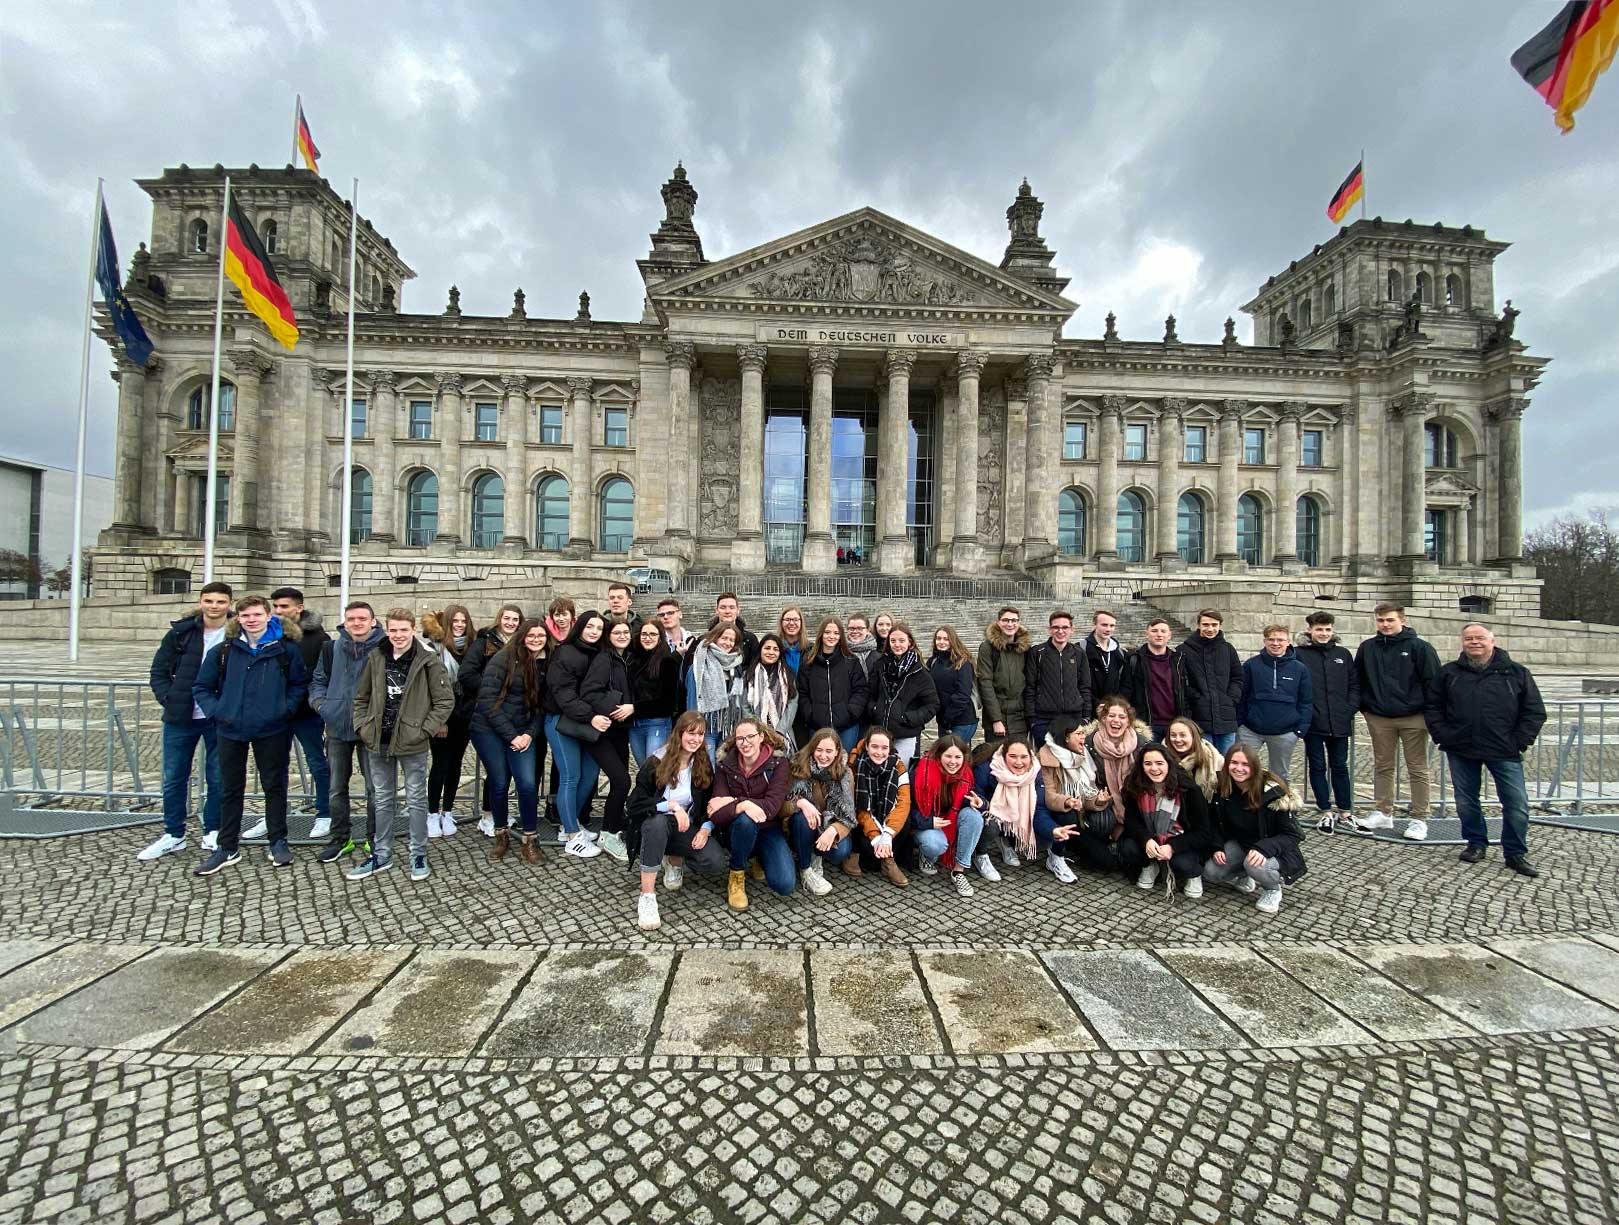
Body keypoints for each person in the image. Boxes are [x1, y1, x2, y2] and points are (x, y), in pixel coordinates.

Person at [191, 595, 307, 875]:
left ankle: (278, 840)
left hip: (272, 727)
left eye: (256, 614)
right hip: (231, 728)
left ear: (268, 616)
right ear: (238, 619)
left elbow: (298, 684)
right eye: (246, 616)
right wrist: (218, 711)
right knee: (230, 788)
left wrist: (284, 709)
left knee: (274, 786)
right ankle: (227, 845)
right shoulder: (223, 651)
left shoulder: (286, 650)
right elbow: (202, 687)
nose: (251, 620)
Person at [1425, 623, 1547, 876]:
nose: (1474, 642)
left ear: (1492, 640)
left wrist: (1518, 741)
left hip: (1504, 749)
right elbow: (1433, 707)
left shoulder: (1516, 672)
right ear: (1462, 642)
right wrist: (1444, 735)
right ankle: (1475, 843)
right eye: (1469, 638)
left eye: (1480, 638)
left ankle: (1515, 852)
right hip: (1461, 747)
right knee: (1466, 800)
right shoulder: (1449, 673)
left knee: (1516, 803)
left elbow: (1534, 711)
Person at [348, 608, 454, 882]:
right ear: (387, 630)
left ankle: (418, 852)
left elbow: (444, 701)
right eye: (393, 630)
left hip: (412, 740)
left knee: (416, 799)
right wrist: (362, 725)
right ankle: (382, 854)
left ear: (413, 630)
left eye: (403, 630)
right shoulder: (376, 657)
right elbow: (361, 697)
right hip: (378, 740)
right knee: (383, 798)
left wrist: (425, 730)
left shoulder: (428, 660)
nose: (397, 635)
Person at [140, 580, 232, 862]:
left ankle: (213, 829)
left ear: (230, 604)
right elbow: (159, 670)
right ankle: (173, 833)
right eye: (209, 601)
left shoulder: (237, 634)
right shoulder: (181, 632)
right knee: (174, 777)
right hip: (181, 715)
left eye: (220, 601)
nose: (214, 606)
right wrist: (169, 698)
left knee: (218, 777)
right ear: (201, 602)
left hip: (218, 716)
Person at [628, 711, 725, 930]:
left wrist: (706, 829)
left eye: (700, 734)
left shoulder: (702, 763)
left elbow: (709, 802)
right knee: (657, 824)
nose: (696, 739)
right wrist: (671, 806)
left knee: (715, 860)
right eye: (691, 733)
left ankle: (673, 858)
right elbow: (634, 805)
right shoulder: (655, 762)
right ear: (679, 733)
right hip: (654, 824)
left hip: (684, 827)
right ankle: (647, 896)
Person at [1355, 603, 1442, 840]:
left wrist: (1429, 713)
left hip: (1414, 716)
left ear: (1402, 620)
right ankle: (1383, 811)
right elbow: (1358, 679)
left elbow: (1433, 683)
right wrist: (1365, 707)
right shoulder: (1368, 648)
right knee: (1383, 766)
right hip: (1379, 716)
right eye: (1381, 620)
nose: (1385, 624)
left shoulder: (1420, 648)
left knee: (1417, 768)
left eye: (1389, 620)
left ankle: (1419, 818)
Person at [309, 600, 385, 863]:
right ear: (345, 621)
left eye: (362, 619)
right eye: (352, 619)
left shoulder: (385, 648)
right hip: (337, 725)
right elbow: (318, 680)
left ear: (373, 621)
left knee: (375, 788)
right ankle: (341, 838)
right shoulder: (331, 648)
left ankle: (374, 838)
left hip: (370, 727)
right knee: (336, 787)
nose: (357, 623)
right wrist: (322, 705)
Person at [469, 618, 549, 864]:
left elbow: (541, 707)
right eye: (531, 635)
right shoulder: (503, 658)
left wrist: (528, 735)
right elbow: (487, 701)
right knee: (500, 782)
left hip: (522, 730)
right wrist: (512, 735)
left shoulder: (544, 663)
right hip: (489, 729)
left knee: (526, 784)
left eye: (541, 636)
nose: (536, 639)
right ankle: (501, 833)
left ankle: (530, 838)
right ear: (522, 636)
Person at [1203, 744, 1307, 914]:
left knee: (1256, 865)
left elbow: (1293, 834)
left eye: (1245, 764)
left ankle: (1272, 889)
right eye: (1234, 763)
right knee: (1211, 872)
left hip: (1274, 850)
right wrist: (1217, 846)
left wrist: (1263, 848)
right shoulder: (1223, 787)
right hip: (1243, 844)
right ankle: (1245, 874)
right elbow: (1215, 823)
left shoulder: (1273, 792)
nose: (1239, 768)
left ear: (1254, 766)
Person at [707, 717, 794, 910]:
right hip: (737, 830)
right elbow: (715, 813)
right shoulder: (725, 765)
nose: (745, 743)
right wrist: (743, 807)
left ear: (761, 736)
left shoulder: (778, 764)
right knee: (746, 821)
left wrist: (736, 801)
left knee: (785, 884)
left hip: (768, 828)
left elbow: (771, 808)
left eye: (750, 737)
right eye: (740, 738)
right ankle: (736, 875)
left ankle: (758, 857)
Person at [268, 587, 331, 841]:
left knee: (318, 763)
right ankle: (273, 815)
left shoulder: (318, 638)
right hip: (274, 714)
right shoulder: (267, 634)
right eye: (275, 607)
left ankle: (324, 813)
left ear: (299, 607)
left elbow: (320, 677)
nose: (279, 611)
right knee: (274, 768)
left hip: (306, 713)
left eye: (284, 607)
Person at [545, 610, 607, 859]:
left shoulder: (597, 653)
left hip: (583, 722)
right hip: (562, 721)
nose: (594, 632)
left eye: (599, 628)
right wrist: (591, 715)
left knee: (590, 774)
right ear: (579, 627)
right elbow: (563, 693)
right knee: (570, 776)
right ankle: (571, 835)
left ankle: (568, 823)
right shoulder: (565, 652)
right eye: (590, 626)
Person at [461, 603, 523, 836]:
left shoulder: (520, 645)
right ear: (499, 619)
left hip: (511, 717)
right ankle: (489, 816)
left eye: (515, 619)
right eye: (506, 618)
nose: (510, 622)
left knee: (505, 771)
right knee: (496, 772)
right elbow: (466, 674)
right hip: (487, 714)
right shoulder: (483, 643)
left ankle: (499, 813)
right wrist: (494, 689)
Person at [1068, 699, 1149, 879]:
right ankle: (1102, 842)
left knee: (1131, 851)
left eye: (1122, 717)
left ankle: (1120, 845)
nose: (1116, 720)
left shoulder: (1141, 744)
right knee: (1101, 822)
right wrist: (1097, 800)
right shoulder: (1088, 743)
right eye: (1111, 715)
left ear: (1129, 721)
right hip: (1100, 805)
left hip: (1132, 804)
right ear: (1103, 718)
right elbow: (1082, 785)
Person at [1124, 743, 1215, 898]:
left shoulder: (1189, 790)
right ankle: (1151, 865)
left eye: (1159, 763)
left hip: (1181, 841)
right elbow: (1131, 821)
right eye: (1148, 764)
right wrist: (1146, 840)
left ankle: (1194, 874)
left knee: (1182, 864)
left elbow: (1203, 832)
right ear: (1141, 766)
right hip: (1153, 838)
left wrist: (1172, 847)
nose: (1154, 768)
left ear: (1169, 764)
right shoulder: (1135, 785)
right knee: (1127, 847)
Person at [1296, 612, 1360, 830]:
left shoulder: (1343, 654)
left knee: (1340, 766)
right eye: (1319, 629)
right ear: (1310, 631)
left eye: (1327, 630)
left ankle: (1345, 810)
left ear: (1332, 631)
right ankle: (1325, 809)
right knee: (1317, 766)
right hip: (1314, 722)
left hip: (1340, 720)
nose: (1323, 634)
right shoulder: (1299, 654)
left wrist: (1349, 708)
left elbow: (1354, 684)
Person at [581, 618, 637, 862]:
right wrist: (616, 708)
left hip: (619, 731)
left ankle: (615, 823)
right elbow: (589, 692)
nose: (623, 635)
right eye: (617, 632)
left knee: (620, 780)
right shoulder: (604, 658)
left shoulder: (627, 658)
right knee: (622, 781)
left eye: (626, 632)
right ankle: (607, 833)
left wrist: (631, 707)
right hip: (602, 730)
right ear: (609, 635)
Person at [420, 604, 478, 838]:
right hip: (441, 715)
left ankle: (448, 811)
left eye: (463, 621)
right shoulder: (434, 647)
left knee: (455, 765)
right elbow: (429, 687)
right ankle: (432, 813)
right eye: (455, 621)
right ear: (446, 623)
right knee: (440, 765)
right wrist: (438, 720)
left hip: (463, 715)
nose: (459, 625)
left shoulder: (472, 648)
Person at [973, 736, 1061, 880]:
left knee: (1045, 841)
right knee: (992, 824)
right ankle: (981, 854)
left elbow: (1038, 810)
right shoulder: (987, 767)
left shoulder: (1035, 771)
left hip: (1015, 815)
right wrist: (983, 804)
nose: (1019, 762)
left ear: (1030, 757)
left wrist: (1053, 829)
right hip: (991, 811)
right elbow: (977, 793)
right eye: (1013, 756)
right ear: (1004, 756)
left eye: (1023, 757)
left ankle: (1005, 840)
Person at [908, 735, 984, 896]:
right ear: (938, 755)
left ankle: (959, 871)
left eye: (958, 757)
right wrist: (928, 822)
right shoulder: (921, 771)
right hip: (926, 823)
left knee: (974, 817)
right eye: (948, 756)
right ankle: (926, 855)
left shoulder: (966, 774)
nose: (953, 762)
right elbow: (908, 809)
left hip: (950, 822)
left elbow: (975, 797)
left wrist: (981, 802)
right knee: (935, 844)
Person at [1236, 624, 1312, 785]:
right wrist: (1240, 723)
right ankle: (1244, 806)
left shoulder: (1300, 669)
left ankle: (1279, 806)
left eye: (1280, 640)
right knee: (1243, 769)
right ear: (1264, 641)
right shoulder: (1251, 665)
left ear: (1288, 642)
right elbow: (1241, 696)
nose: (1275, 643)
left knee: (1279, 775)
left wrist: (1299, 730)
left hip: (1284, 733)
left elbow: (1306, 701)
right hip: (1251, 730)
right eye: (1271, 639)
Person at [785, 728, 858, 887]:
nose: (823, 756)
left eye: (829, 751)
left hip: (826, 825)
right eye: (819, 750)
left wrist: (834, 830)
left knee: (842, 851)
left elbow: (848, 815)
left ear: (837, 751)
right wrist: (800, 802)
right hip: (799, 826)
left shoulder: (845, 774)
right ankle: (805, 869)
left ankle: (815, 855)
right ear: (812, 749)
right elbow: (781, 806)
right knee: (801, 819)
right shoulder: (797, 765)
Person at [867, 621, 939, 766]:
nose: (897, 645)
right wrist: (875, 710)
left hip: (906, 734)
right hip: (880, 733)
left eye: (901, 640)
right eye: (893, 641)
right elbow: (870, 694)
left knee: (902, 776)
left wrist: (908, 718)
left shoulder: (920, 673)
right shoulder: (880, 666)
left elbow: (932, 705)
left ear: (910, 643)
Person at [849, 727, 912, 888]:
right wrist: (876, 836)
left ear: (890, 748)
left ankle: (888, 861)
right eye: (875, 747)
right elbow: (859, 809)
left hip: (886, 818)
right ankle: (854, 855)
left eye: (884, 748)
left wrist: (887, 835)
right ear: (867, 746)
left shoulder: (898, 765)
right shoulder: (855, 764)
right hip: (864, 819)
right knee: (853, 820)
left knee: (905, 820)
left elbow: (903, 802)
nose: (879, 752)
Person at [797, 617, 869, 753]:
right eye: (827, 632)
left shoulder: (850, 660)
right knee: (820, 765)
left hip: (847, 726)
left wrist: (851, 712)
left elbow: (861, 690)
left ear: (841, 636)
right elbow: (803, 692)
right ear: (821, 634)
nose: (831, 636)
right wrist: (811, 714)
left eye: (836, 633)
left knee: (844, 765)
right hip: (818, 726)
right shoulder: (808, 662)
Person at [1178, 609, 1242, 754]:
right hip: (1200, 717)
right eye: (1206, 625)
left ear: (1220, 625)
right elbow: (1180, 682)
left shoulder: (1228, 649)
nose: (1210, 629)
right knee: (1205, 765)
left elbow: (1237, 677)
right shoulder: (1183, 650)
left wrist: (1231, 698)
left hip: (1226, 717)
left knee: (1226, 764)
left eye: (1214, 625)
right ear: (1198, 625)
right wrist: (1197, 699)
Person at [1023, 610, 1090, 748]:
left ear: (1072, 630)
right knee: (1047, 762)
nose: (1060, 631)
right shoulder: (1038, 653)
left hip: (1073, 717)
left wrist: (1086, 716)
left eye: (1065, 627)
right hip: (1044, 719)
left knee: (1072, 761)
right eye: (1056, 627)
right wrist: (1032, 719)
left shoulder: (1078, 653)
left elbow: (1085, 686)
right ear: (1049, 629)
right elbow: (1030, 687)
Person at [687, 621, 749, 759]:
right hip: (706, 726)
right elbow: (692, 699)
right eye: (724, 638)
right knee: (709, 769)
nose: (728, 643)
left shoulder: (736, 666)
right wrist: (694, 729)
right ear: (715, 637)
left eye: (732, 640)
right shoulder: (700, 665)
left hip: (730, 727)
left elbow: (739, 699)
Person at [627, 620, 680, 769]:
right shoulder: (633, 660)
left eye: (652, 634)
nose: (647, 637)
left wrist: (635, 708)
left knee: (654, 770)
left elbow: (668, 704)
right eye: (644, 634)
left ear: (660, 637)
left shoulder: (667, 662)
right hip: (635, 724)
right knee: (643, 769)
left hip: (657, 723)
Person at [976, 606, 1031, 744]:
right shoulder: (988, 648)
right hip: (997, 716)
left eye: (1014, 620)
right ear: (998, 622)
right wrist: (996, 719)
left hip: (1020, 718)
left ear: (1019, 623)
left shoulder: (1025, 648)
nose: (1010, 624)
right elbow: (985, 683)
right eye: (1006, 620)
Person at [1125, 618, 1185, 740]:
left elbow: (1186, 691)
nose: (1159, 634)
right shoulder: (1134, 660)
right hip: (1146, 725)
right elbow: (1127, 690)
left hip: (1175, 725)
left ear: (1169, 635)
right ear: (1146, 633)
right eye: (1154, 631)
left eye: (1163, 631)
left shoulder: (1178, 660)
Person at [745, 633, 799, 752]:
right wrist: (758, 730)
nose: (771, 652)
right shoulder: (749, 674)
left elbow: (792, 703)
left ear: (780, 653)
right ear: (760, 650)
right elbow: (744, 705)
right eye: (767, 648)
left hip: (782, 731)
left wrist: (780, 730)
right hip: (755, 733)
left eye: (775, 649)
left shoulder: (788, 675)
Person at [929, 626, 978, 744]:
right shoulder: (933, 662)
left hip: (963, 720)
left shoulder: (963, 662)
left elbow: (963, 694)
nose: (941, 642)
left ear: (953, 640)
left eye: (946, 639)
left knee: (954, 754)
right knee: (945, 757)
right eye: (938, 638)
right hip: (943, 720)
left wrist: (947, 718)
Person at [1164, 717, 1224, 800]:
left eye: (1183, 735)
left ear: (1194, 736)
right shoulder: (1161, 758)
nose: (1177, 739)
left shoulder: (1215, 759)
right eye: (1173, 735)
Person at [1084, 610, 1130, 712]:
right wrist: (1096, 704)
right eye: (1104, 625)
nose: (1108, 629)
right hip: (1088, 710)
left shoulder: (1121, 653)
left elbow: (1126, 684)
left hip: (1113, 711)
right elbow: (1077, 684)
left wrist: (1115, 705)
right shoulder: (1081, 649)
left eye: (1112, 625)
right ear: (1094, 625)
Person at [710, 592, 760, 666]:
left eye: (732, 607)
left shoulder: (750, 640)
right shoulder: (706, 639)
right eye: (723, 607)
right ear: (716, 611)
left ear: (738, 611)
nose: (727, 611)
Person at [845, 613, 880, 678]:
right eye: (851, 628)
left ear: (867, 630)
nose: (855, 631)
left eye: (860, 628)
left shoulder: (877, 658)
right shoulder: (840, 653)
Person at [777, 607, 808, 672]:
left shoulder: (811, 649)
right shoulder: (775, 648)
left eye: (795, 620)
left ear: (801, 622)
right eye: (787, 619)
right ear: (781, 622)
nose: (791, 623)